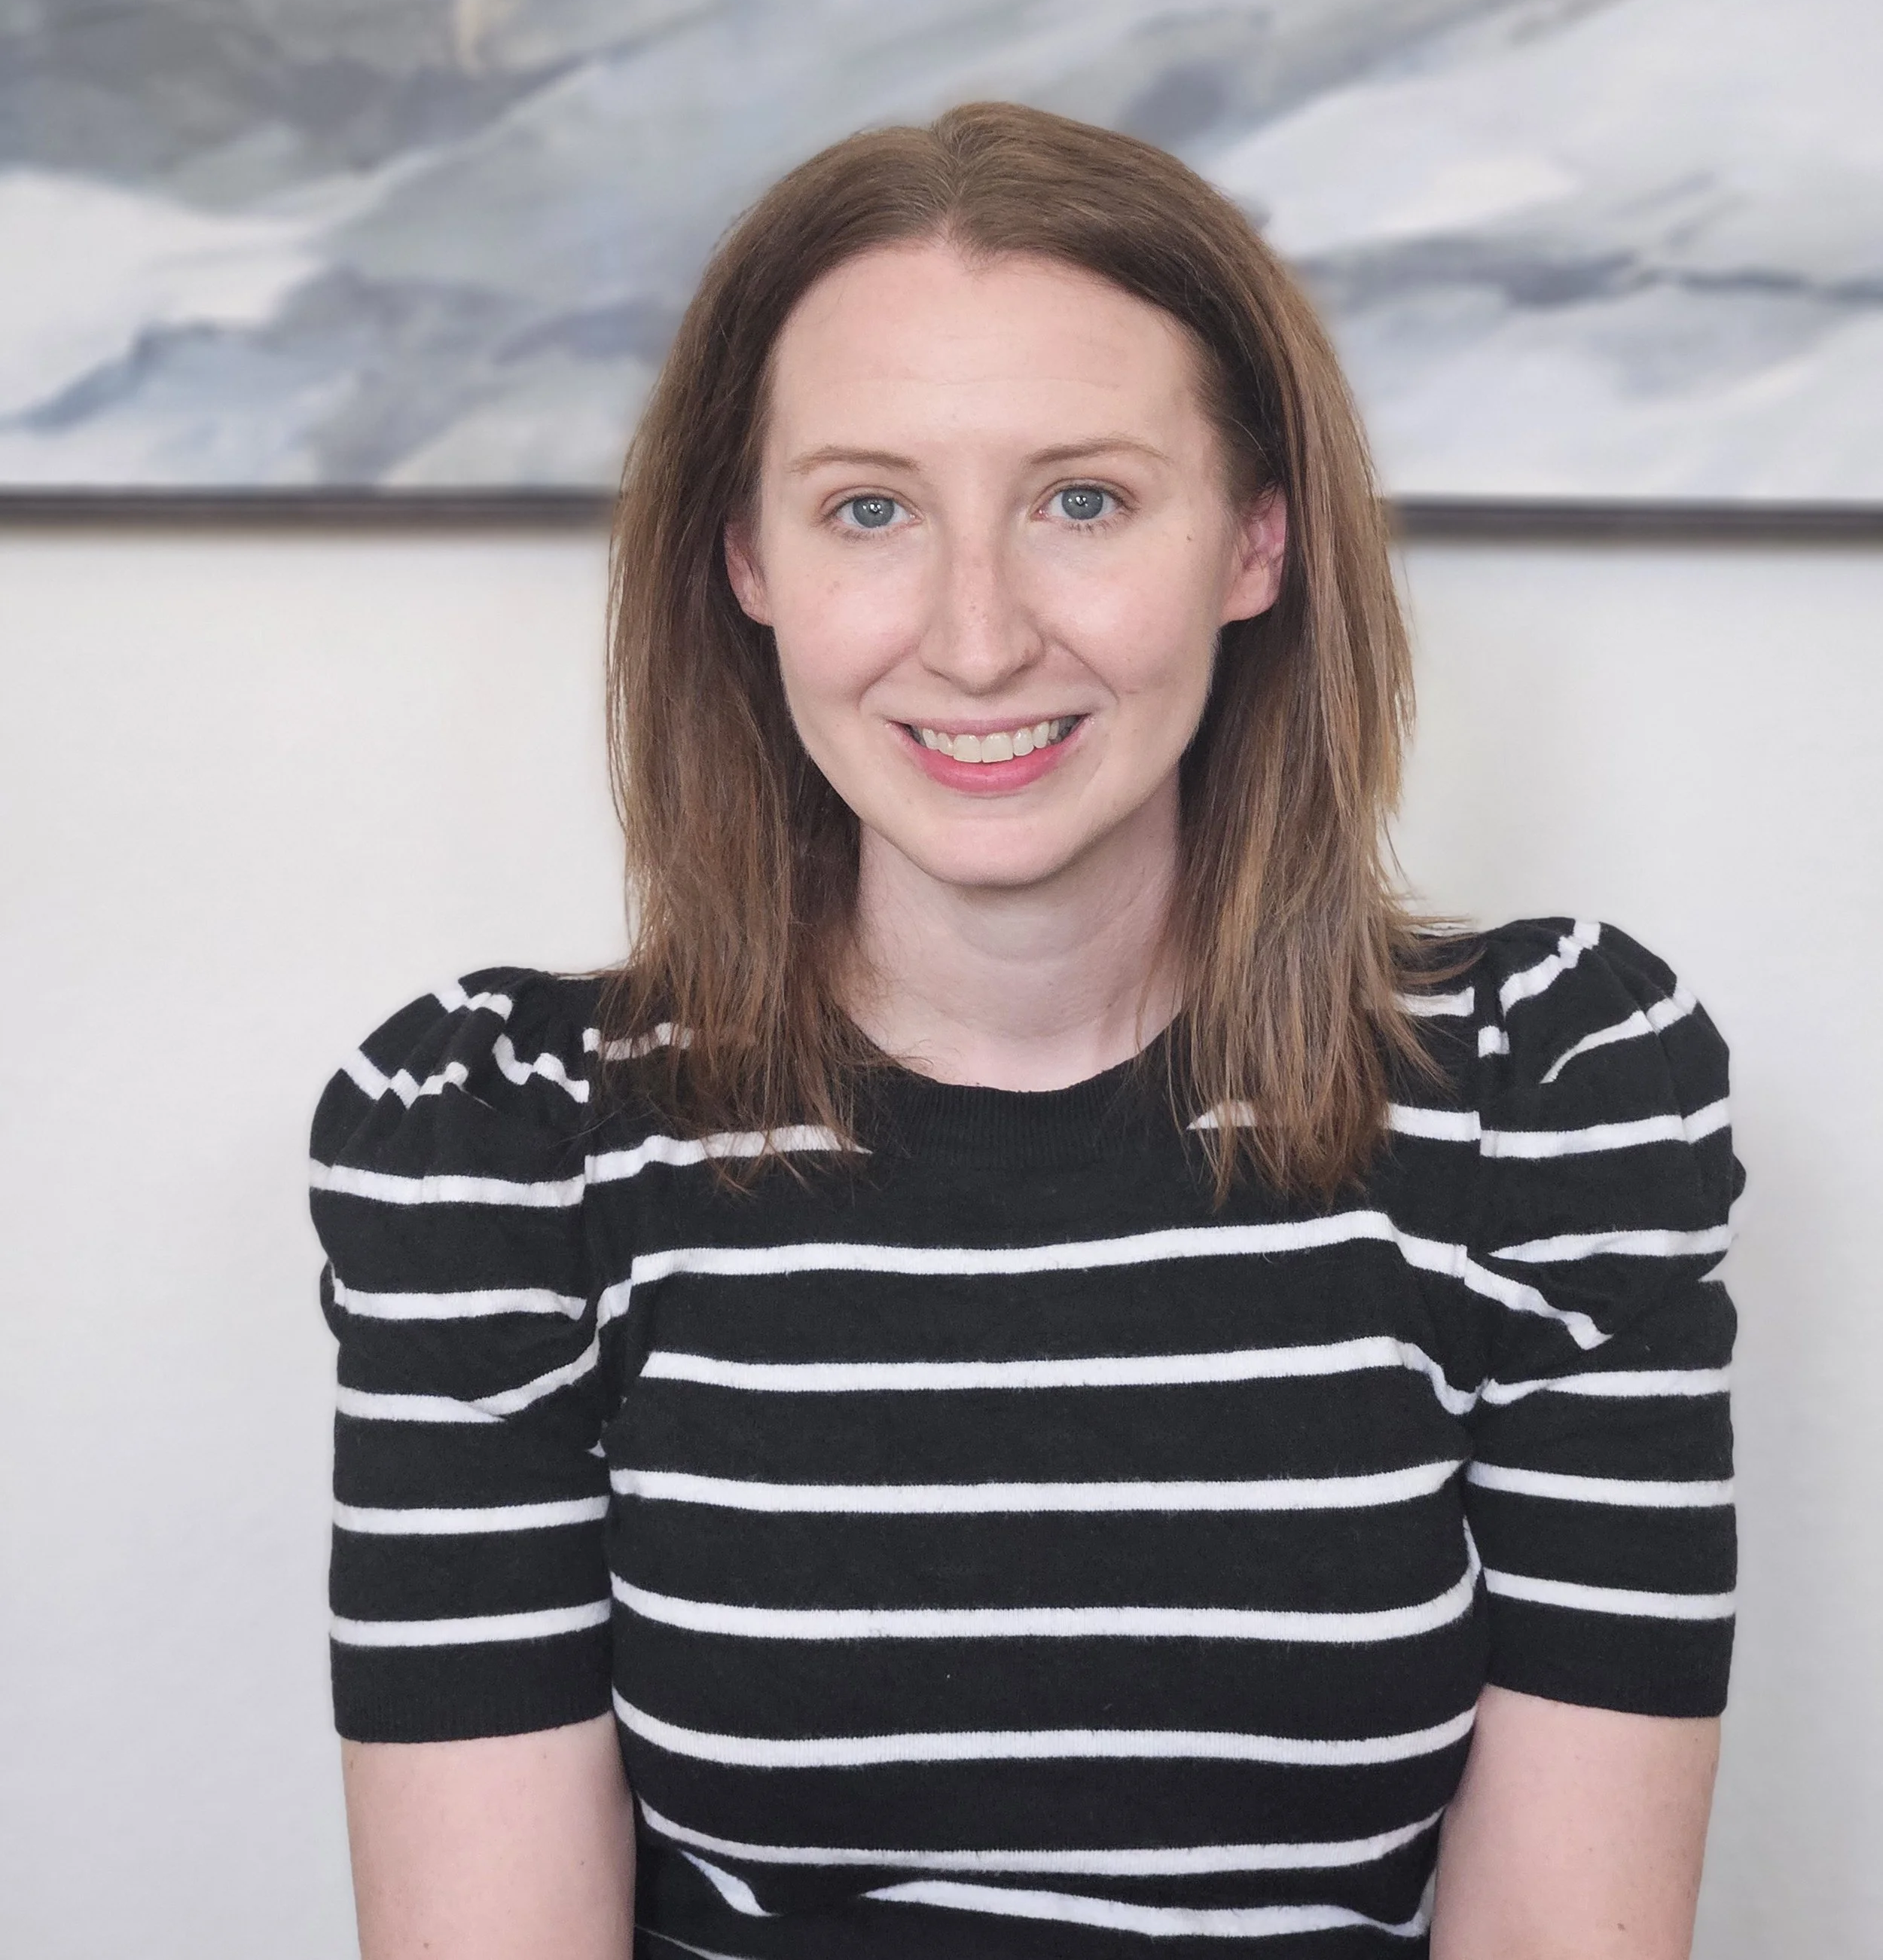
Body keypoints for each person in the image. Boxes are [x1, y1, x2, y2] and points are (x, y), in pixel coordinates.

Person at [312, 102, 1738, 1958]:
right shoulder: (501, 1153)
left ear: (1251, 540)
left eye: (1082, 499)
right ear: (745, 560)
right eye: (868, 508)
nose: (976, 638)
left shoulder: (1555, 1110)